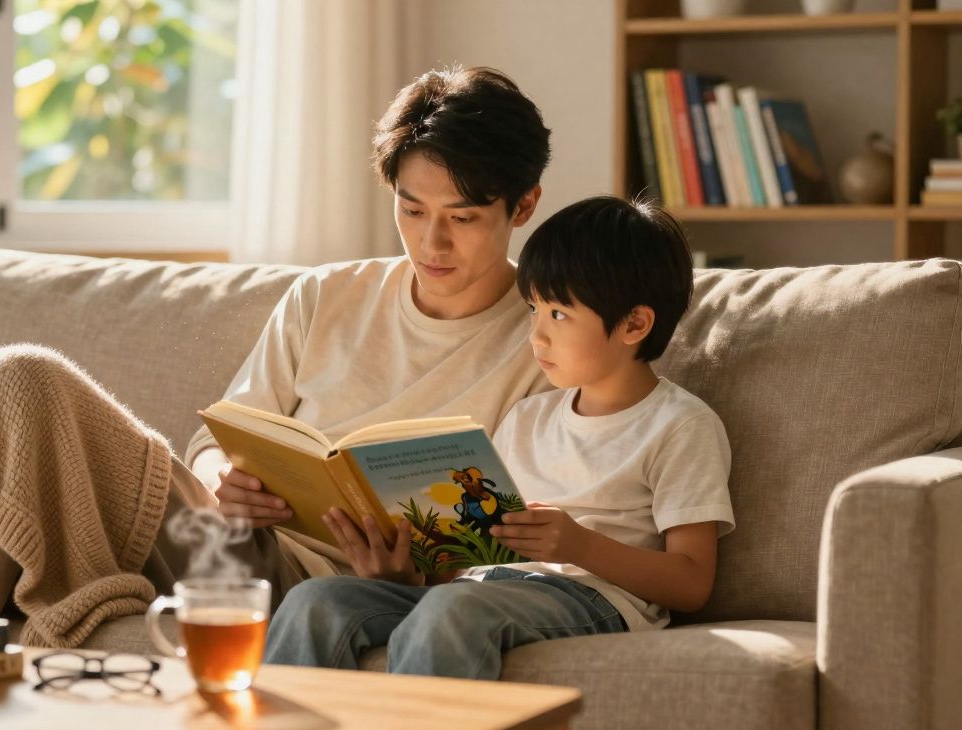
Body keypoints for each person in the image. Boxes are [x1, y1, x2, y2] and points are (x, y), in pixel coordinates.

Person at [0, 66, 557, 642]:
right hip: (229, 541)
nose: (431, 240)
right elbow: (215, 440)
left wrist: (408, 577)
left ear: (523, 205)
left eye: (463, 216)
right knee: (18, 380)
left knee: (16, 407)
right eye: (411, 209)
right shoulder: (331, 296)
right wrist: (224, 478)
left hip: (338, 590)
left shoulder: (549, 340)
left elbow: (539, 537)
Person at [263, 196, 736, 680]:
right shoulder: (527, 417)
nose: (537, 335)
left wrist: (580, 546)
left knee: (454, 610)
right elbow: (470, 560)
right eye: (534, 308)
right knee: (315, 601)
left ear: (635, 324)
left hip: (589, 596)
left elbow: (692, 581)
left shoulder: (680, 424)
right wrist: (402, 575)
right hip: (481, 587)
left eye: (559, 315)